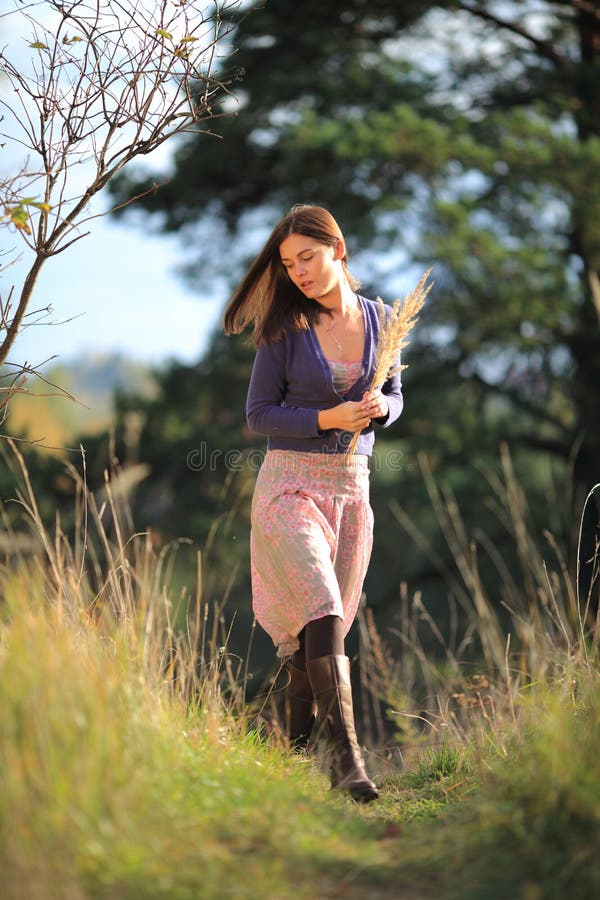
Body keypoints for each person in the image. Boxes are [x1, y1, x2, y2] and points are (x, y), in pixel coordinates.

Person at [224, 204, 404, 803]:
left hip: (353, 490)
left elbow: (397, 392)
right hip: (289, 489)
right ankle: (348, 763)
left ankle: (291, 766)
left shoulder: (383, 321)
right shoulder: (283, 329)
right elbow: (257, 415)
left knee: (314, 639)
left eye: (307, 257)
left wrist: (383, 409)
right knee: (324, 611)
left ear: (338, 249)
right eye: (288, 263)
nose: (298, 272)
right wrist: (328, 416)